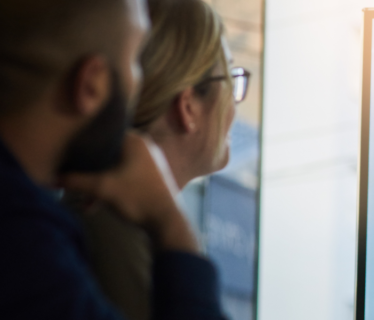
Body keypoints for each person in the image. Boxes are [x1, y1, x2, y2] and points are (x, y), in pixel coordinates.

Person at [0, 0, 227, 319]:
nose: (142, 83)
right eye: (136, 59)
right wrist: (169, 222)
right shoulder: (27, 252)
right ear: (92, 84)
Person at [62, 0, 247, 318]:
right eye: (229, 81)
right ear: (188, 107)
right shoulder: (120, 235)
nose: (234, 103)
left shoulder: (98, 217)